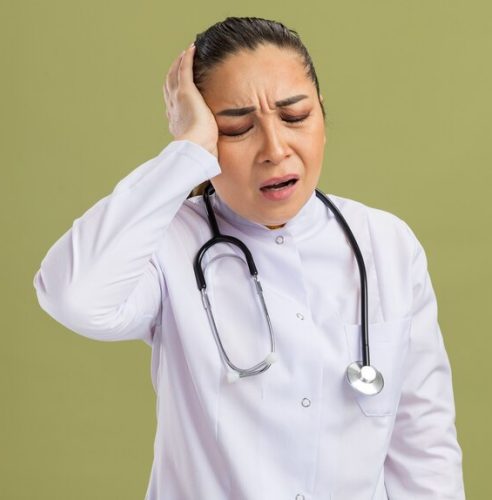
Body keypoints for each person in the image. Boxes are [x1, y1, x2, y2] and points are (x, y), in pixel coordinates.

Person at [33, 16, 465, 500]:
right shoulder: (167, 243)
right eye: (236, 129)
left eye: (296, 116)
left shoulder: (387, 244)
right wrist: (186, 151)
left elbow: (424, 449)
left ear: (322, 114)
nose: (275, 149)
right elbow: (73, 295)